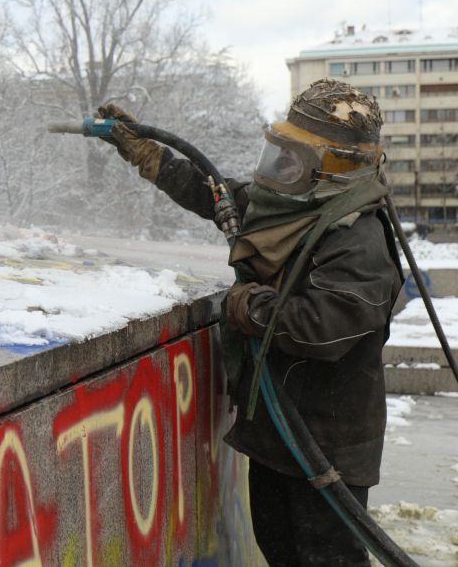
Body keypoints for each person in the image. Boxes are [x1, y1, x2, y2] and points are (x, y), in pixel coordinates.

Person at [100, 78, 403, 566]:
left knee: (326, 559)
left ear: (332, 171)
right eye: (279, 152)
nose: (278, 168)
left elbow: (319, 328)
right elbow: (216, 194)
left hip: (327, 447)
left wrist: (248, 306)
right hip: (279, 437)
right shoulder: (295, 206)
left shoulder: (359, 242)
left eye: (293, 158)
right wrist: (149, 156)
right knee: (280, 550)